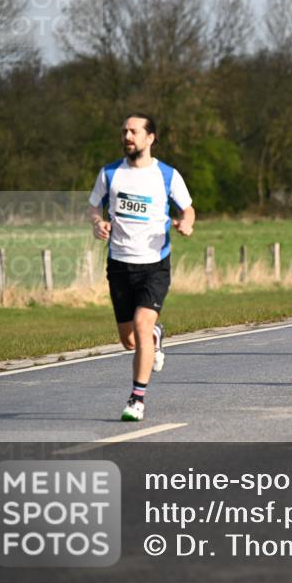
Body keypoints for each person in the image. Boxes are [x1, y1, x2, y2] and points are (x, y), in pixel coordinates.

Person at [88, 114, 194, 422]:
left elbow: (187, 208)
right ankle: (156, 338)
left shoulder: (167, 175)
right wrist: (98, 222)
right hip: (120, 265)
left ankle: (137, 399)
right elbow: (94, 205)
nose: (127, 136)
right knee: (130, 340)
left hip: (154, 265)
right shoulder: (109, 174)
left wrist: (186, 223)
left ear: (150, 138)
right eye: (124, 131)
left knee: (141, 326)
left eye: (134, 131)